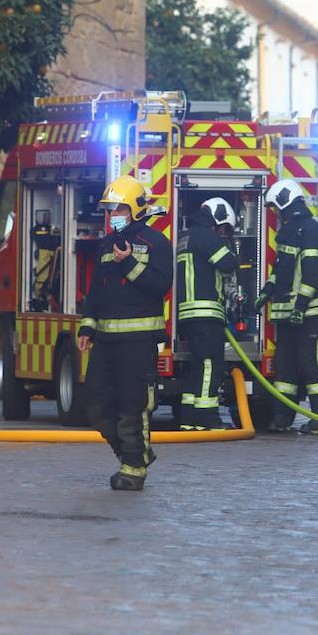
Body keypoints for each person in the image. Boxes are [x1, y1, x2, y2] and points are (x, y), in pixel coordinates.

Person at [77, 175, 173, 491]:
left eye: (119, 208)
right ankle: (137, 453)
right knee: (96, 406)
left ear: (135, 209)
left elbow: (160, 286)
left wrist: (129, 262)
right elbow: (96, 290)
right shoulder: (106, 245)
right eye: (110, 209)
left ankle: (133, 468)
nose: (113, 215)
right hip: (105, 341)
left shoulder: (157, 243)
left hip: (138, 342)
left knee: (133, 406)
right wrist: (87, 326)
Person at [254, 179, 318, 436]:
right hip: (286, 314)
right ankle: (282, 418)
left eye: (276, 208)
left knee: (311, 365)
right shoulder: (289, 231)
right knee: (284, 366)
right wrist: (266, 292)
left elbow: (312, 272)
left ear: (285, 203)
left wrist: (300, 305)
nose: (276, 213)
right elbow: (281, 269)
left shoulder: (310, 229)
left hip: (308, 314)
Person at [176, 197, 238, 430]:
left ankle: (189, 418)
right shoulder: (206, 237)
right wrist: (230, 246)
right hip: (206, 313)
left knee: (197, 366)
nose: (221, 233)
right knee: (211, 365)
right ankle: (206, 418)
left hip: (188, 315)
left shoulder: (186, 237)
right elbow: (229, 264)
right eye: (222, 228)